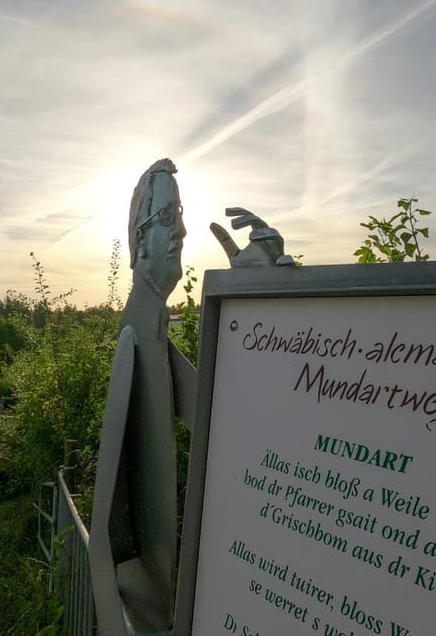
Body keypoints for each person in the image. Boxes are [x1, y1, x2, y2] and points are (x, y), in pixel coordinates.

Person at [89, 159, 290, 636]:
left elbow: (218, 422)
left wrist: (259, 293)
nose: (181, 229)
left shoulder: (153, 334)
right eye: (165, 218)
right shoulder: (133, 341)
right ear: (139, 245)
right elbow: (107, 515)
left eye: (180, 212)